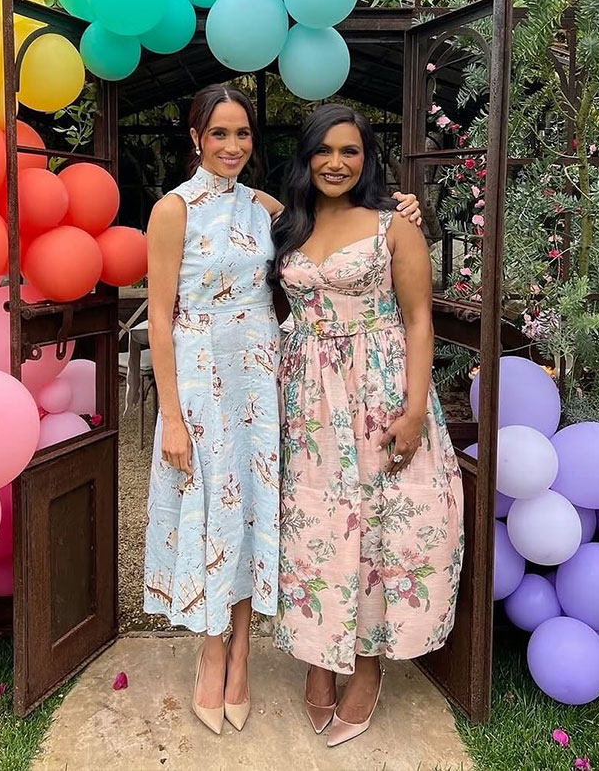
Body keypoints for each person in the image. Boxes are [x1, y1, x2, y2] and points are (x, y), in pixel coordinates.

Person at [143, 85, 421, 735]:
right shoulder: (172, 210)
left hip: (265, 380)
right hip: (202, 382)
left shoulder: (265, 207)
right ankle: (211, 650)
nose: (232, 146)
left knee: (254, 511)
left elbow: (335, 217)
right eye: (219, 134)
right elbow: (158, 318)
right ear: (195, 138)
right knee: (209, 507)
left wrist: (399, 206)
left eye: (242, 134)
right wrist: (173, 417)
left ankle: (241, 653)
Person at [270, 103, 464, 748]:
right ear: (305, 157)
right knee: (312, 525)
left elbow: (419, 320)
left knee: (381, 528)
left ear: (367, 158)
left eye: (349, 151)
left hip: (379, 392)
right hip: (307, 400)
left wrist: (414, 412)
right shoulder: (285, 224)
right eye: (323, 150)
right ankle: (319, 656)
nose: (336, 163)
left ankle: (368, 663)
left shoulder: (393, 226)